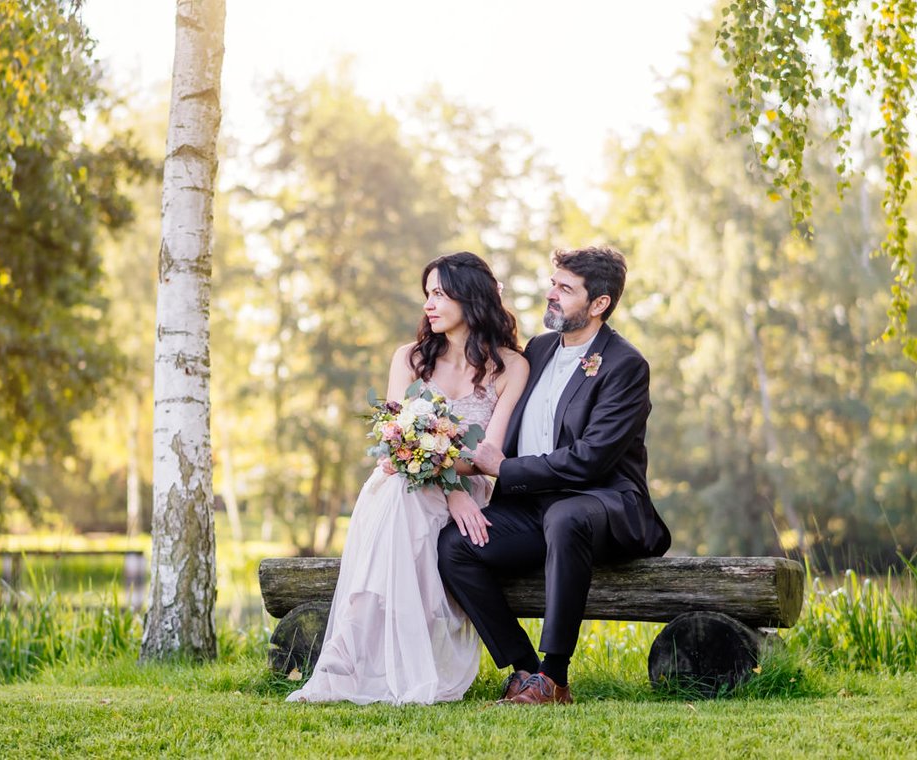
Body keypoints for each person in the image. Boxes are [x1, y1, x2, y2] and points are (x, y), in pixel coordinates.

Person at [287, 251, 529, 705]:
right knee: (399, 491)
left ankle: (393, 664)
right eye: (427, 295)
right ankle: (350, 665)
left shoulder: (511, 367)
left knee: (402, 493)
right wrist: (449, 487)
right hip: (408, 482)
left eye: (439, 293)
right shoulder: (410, 358)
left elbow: (487, 457)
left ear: (469, 297)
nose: (429, 305)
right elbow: (399, 442)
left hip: (462, 489)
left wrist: (457, 489)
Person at [437, 245, 671, 705]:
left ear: (599, 303)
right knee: (455, 546)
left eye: (565, 289)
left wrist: (505, 469)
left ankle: (555, 677)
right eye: (552, 283)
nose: (551, 294)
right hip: (530, 507)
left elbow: (590, 460)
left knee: (566, 516)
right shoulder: (538, 351)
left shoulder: (625, 365)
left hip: (603, 503)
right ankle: (524, 669)